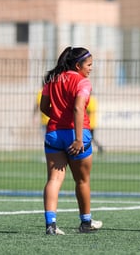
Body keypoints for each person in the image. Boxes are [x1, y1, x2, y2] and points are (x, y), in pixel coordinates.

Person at [40, 46, 102, 235]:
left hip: (54, 134)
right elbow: (78, 109)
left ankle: (51, 225)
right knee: (82, 181)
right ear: (78, 65)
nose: (91, 68)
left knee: (54, 179)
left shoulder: (53, 79)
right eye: (89, 65)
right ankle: (86, 222)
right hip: (77, 135)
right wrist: (76, 138)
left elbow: (44, 107)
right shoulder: (82, 82)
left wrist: (59, 119)